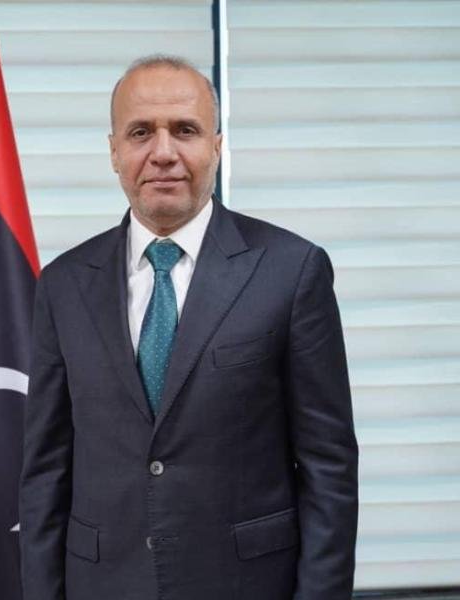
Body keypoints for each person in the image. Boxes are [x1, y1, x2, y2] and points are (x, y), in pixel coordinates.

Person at [19, 55, 358, 599]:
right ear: (114, 151)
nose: (163, 153)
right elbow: (45, 471)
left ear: (216, 147)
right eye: (140, 133)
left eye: (185, 130)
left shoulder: (291, 271)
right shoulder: (63, 284)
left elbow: (329, 468)